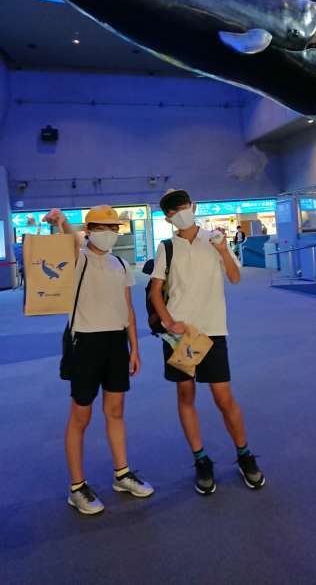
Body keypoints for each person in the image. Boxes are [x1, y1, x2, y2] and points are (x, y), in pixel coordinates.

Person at [150, 189, 265, 495]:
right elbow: (155, 291)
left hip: (212, 331)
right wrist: (169, 322)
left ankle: (244, 454)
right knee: (186, 394)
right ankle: (200, 458)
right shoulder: (166, 247)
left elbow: (235, 278)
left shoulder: (214, 240)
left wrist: (224, 250)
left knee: (223, 397)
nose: (180, 213)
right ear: (167, 218)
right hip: (180, 335)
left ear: (193, 206)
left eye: (183, 206)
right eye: (173, 211)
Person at [44, 205, 154, 515]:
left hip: (116, 344)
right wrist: (62, 221)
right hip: (85, 344)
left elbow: (128, 308)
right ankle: (77, 487)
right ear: (89, 230)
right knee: (81, 415)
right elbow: (70, 239)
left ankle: (122, 474)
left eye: (112, 228)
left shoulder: (120, 263)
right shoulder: (78, 258)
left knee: (115, 411)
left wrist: (134, 348)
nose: (107, 234)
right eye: (101, 228)